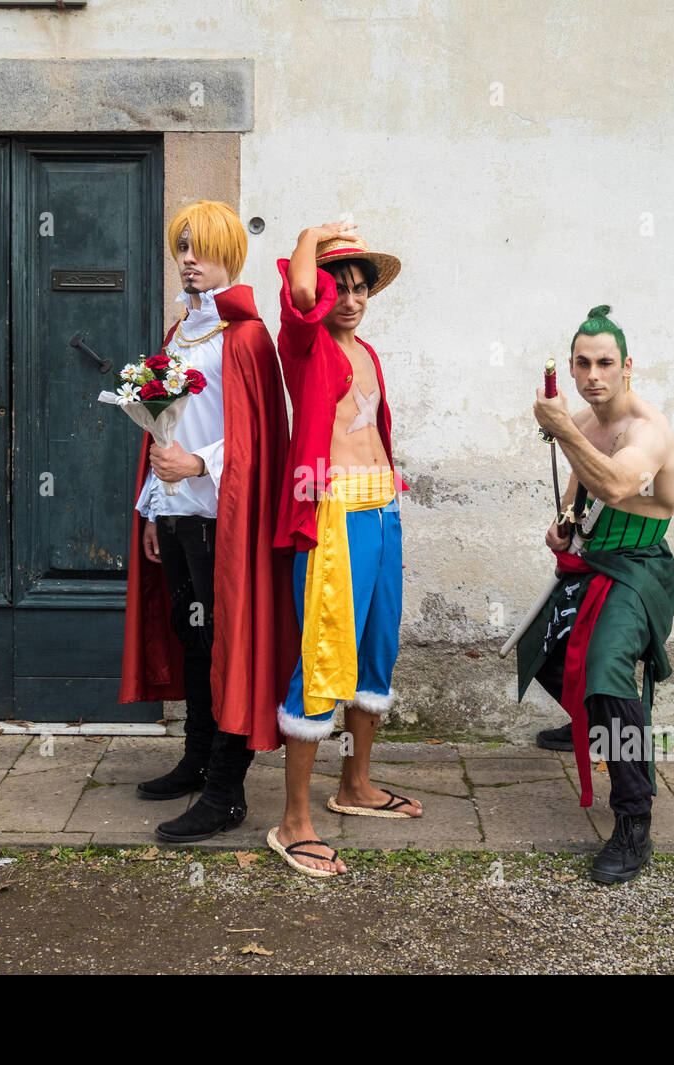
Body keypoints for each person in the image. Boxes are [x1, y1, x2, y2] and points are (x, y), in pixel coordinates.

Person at [120, 200, 299, 843]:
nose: (188, 259)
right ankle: (196, 761)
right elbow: (162, 430)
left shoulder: (246, 336)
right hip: (177, 517)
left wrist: (198, 462)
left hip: (224, 522)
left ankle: (227, 791)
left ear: (229, 252)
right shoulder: (177, 335)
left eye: (199, 247)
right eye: (182, 247)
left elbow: (258, 436)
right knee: (193, 640)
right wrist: (152, 509)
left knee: (229, 645)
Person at [266, 221, 421, 878]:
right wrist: (311, 234)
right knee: (325, 660)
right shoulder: (305, 343)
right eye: (340, 286)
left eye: (360, 287)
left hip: (382, 510)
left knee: (375, 651)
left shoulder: (370, 353)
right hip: (332, 519)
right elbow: (300, 289)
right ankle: (292, 821)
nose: (350, 298)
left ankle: (355, 784)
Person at [527, 305, 674, 884]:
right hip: (591, 562)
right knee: (539, 647)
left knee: (607, 666)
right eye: (583, 363)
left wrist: (562, 427)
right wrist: (563, 525)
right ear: (570, 368)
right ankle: (588, 727)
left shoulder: (649, 430)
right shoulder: (589, 424)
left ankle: (634, 821)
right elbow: (580, 494)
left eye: (605, 363)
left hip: (640, 572)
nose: (594, 375)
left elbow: (616, 483)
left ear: (627, 367)